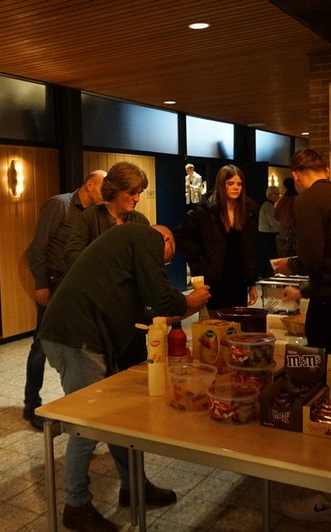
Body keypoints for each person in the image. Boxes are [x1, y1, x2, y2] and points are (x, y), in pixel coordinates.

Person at [38, 223, 210, 532]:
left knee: (114, 417)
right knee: (87, 423)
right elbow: (161, 299)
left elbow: (149, 311)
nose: (164, 263)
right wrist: (190, 301)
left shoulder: (128, 251)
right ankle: (76, 505)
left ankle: (134, 486)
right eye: (168, 257)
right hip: (76, 336)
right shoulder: (147, 237)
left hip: (81, 335)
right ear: (166, 240)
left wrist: (180, 308)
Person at [22, 170, 105, 430]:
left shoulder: (96, 213)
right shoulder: (60, 205)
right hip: (54, 281)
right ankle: (31, 404)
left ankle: (76, 401)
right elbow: (37, 247)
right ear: (89, 185)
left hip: (76, 285)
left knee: (76, 345)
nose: (106, 194)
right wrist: (41, 284)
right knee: (42, 343)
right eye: (103, 188)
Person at [272, 149, 331, 373]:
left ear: (295, 175)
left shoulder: (307, 200)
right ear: (326, 171)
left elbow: (311, 260)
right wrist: (302, 291)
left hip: (328, 306)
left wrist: (289, 265)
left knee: (324, 371)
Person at [176, 164, 259, 311]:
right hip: (215, 279)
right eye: (230, 183)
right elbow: (181, 237)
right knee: (215, 320)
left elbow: (250, 249)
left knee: (237, 321)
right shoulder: (206, 210)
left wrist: (252, 283)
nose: (236, 188)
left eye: (239, 184)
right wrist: (201, 260)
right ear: (221, 185)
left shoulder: (248, 210)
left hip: (239, 278)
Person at [64, 161, 150, 268]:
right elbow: (71, 255)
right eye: (131, 193)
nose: (137, 199)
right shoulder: (90, 217)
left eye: (139, 193)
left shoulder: (141, 221)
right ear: (115, 190)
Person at [257, 185, 281, 277]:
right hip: (267, 234)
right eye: (277, 194)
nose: (279, 196)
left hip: (266, 233)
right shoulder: (268, 206)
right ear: (270, 195)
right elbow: (273, 222)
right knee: (271, 255)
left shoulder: (268, 205)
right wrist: (282, 228)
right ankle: (270, 274)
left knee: (268, 255)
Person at [275, 177, 298, 257]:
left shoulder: (283, 201)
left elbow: (276, 216)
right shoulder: (298, 199)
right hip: (297, 229)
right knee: (296, 254)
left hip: (284, 229)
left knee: (285, 254)